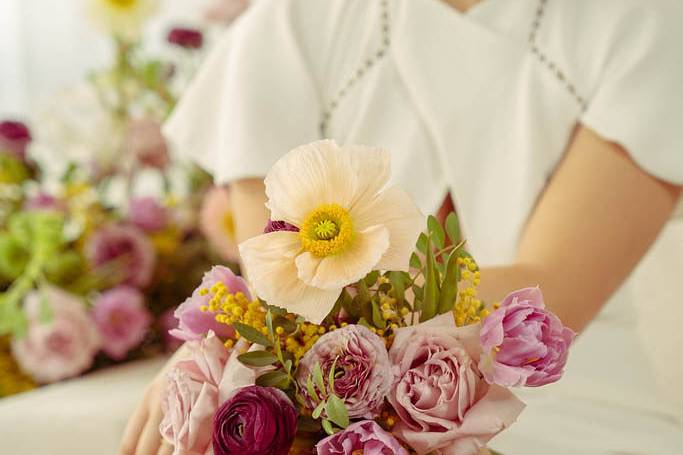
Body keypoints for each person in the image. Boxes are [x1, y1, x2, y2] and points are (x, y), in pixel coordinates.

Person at [119, 0, 683, 453]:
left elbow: (546, 298)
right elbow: (273, 276)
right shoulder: (289, 22)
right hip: (336, 407)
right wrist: (225, 353)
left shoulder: (644, 23)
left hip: (577, 399)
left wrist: (265, 332)